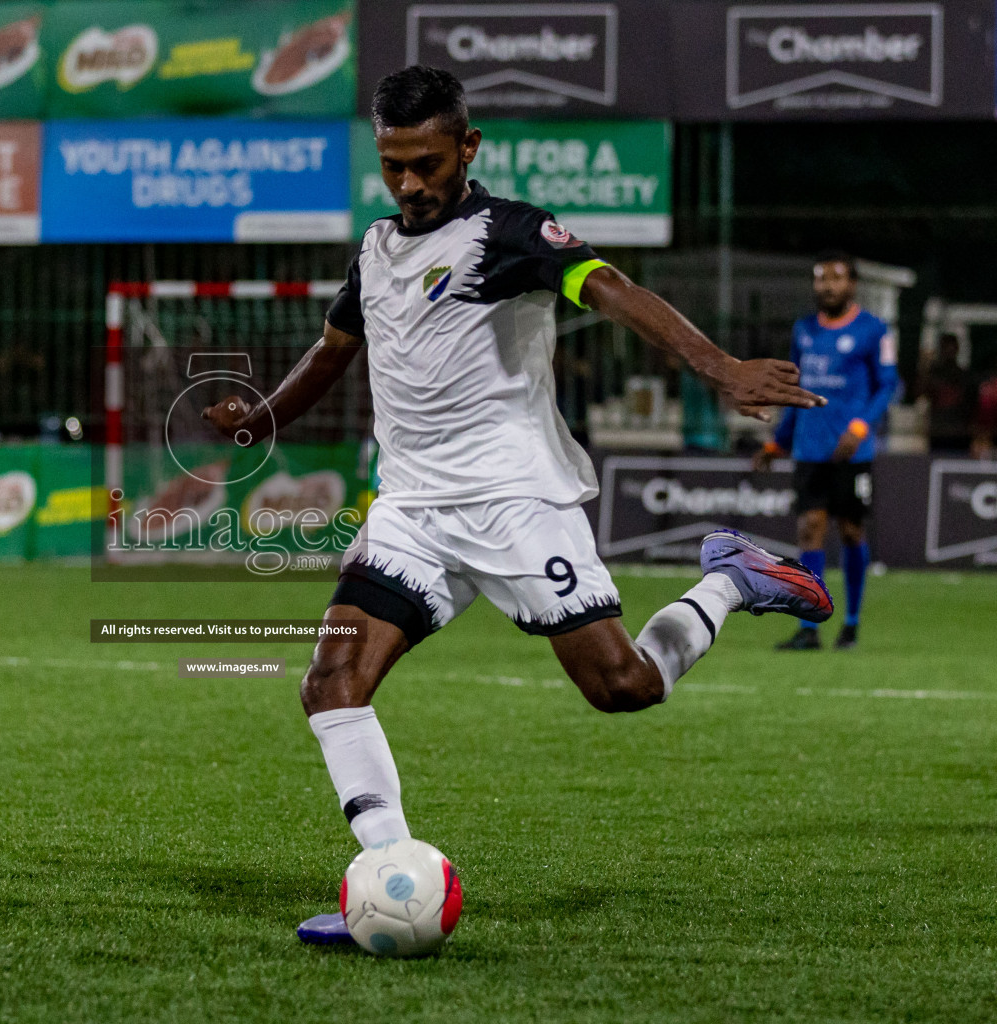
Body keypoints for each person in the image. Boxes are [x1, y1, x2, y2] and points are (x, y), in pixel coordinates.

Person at [201, 65, 833, 946]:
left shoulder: (509, 233)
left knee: (624, 687)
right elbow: (334, 349)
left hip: (515, 504)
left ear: (468, 148)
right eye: (393, 167)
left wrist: (718, 366)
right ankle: (392, 874)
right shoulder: (378, 249)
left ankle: (728, 579)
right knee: (331, 683)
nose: (410, 184)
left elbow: (616, 292)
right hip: (414, 511)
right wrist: (262, 416)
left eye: (426, 163)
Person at [753, 252, 900, 651]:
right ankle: (809, 626)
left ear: (852, 285)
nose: (827, 286)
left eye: (835, 279)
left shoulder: (874, 330)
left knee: (851, 532)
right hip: (809, 449)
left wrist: (860, 425)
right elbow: (796, 393)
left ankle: (850, 624)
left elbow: (888, 384)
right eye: (821, 279)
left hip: (851, 452)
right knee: (809, 531)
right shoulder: (803, 331)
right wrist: (777, 442)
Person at [919, 334, 976, 455]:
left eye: (952, 346)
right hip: (938, 432)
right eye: (945, 347)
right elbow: (920, 392)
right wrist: (925, 364)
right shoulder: (933, 373)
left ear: (957, 348)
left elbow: (969, 404)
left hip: (959, 432)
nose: (949, 350)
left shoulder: (963, 375)